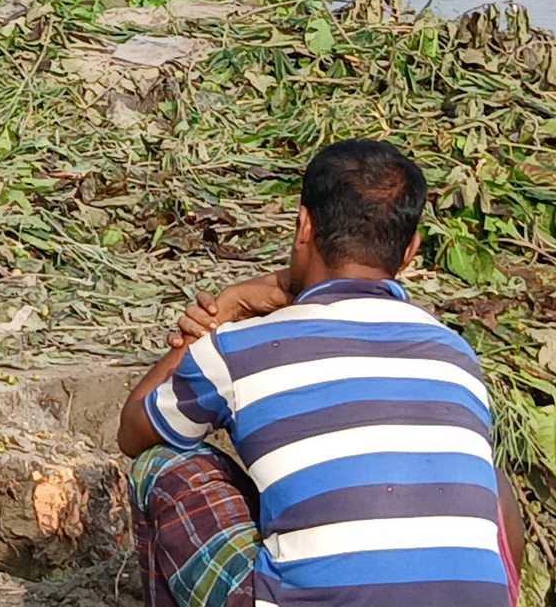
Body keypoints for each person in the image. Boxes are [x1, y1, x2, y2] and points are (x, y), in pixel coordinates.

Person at [118, 140, 524, 607]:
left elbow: (134, 432)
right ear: (410, 250)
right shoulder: (455, 354)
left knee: (162, 465)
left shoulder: (240, 348)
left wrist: (224, 311)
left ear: (303, 226)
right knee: (487, 478)